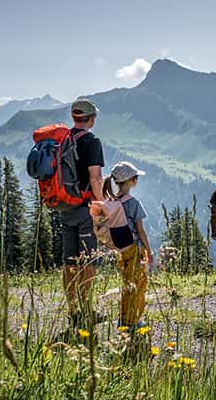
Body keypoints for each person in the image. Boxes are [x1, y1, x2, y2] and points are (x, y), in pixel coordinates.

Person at [60, 99, 105, 326]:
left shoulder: (63, 139)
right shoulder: (91, 141)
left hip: (65, 207)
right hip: (85, 207)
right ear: (91, 118)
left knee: (70, 262)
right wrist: (102, 207)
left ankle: (73, 310)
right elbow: (96, 178)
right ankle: (87, 310)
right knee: (88, 261)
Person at [103, 161, 154, 327]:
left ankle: (124, 318)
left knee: (127, 284)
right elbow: (141, 230)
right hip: (134, 249)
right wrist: (149, 251)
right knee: (138, 285)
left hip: (121, 249)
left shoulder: (111, 201)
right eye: (136, 177)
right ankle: (133, 321)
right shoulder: (133, 204)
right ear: (131, 181)